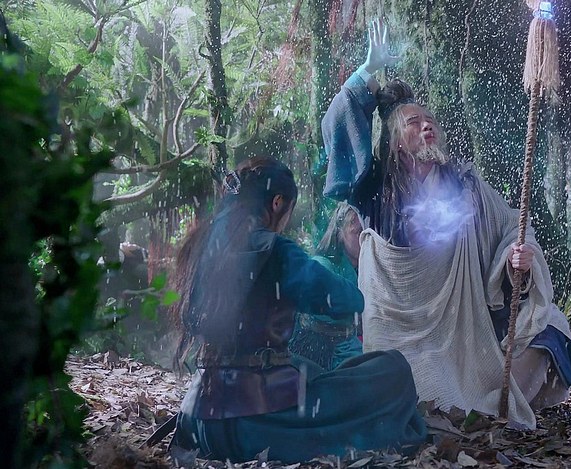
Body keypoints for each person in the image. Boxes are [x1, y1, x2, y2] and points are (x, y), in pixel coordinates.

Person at [322, 19, 571, 428]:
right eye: (414, 122)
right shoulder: (375, 189)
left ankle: (488, 404)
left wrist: (516, 258)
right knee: (392, 387)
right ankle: (447, 405)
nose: (427, 125)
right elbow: (338, 127)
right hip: (403, 345)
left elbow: (513, 225)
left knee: (549, 324)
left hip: (464, 339)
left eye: (430, 120)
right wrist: (367, 72)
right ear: (395, 142)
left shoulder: (466, 186)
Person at [169, 157, 426, 463]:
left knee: (306, 366)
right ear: (277, 203)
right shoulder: (274, 249)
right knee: (393, 368)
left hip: (199, 421)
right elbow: (345, 299)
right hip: (252, 425)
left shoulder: (199, 246)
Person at [289, 202, 363, 370]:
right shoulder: (323, 265)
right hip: (320, 353)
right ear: (340, 233)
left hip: (346, 348)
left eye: (367, 232)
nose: (363, 239)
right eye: (358, 232)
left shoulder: (361, 268)